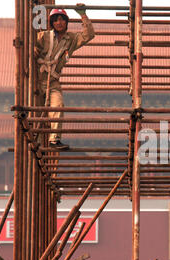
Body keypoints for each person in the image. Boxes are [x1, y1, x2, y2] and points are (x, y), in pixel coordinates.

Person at [34, 4, 95, 150]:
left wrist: (83, 16)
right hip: (36, 80)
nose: (59, 22)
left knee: (58, 105)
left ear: (66, 22)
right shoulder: (43, 36)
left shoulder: (71, 39)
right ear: (52, 22)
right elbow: (30, 47)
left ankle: (54, 139)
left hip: (53, 81)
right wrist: (34, 50)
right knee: (34, 111)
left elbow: (89, 35)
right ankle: (33, 139)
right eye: (56, 19)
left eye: (62, 19)